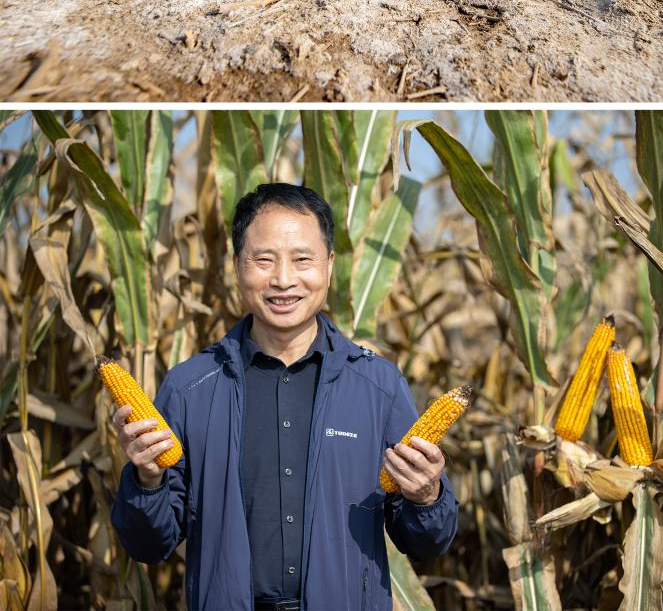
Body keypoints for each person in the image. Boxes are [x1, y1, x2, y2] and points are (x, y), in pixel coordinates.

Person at [110, 182, 459, 611]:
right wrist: (146, 480)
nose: (283, 279)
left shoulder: (379, 388)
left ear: (329, 265)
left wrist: (426, 497)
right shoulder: (190, 389)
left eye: (302, 259)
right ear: (238, 265)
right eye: (263, 259)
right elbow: (149, 544)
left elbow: (425, 543)